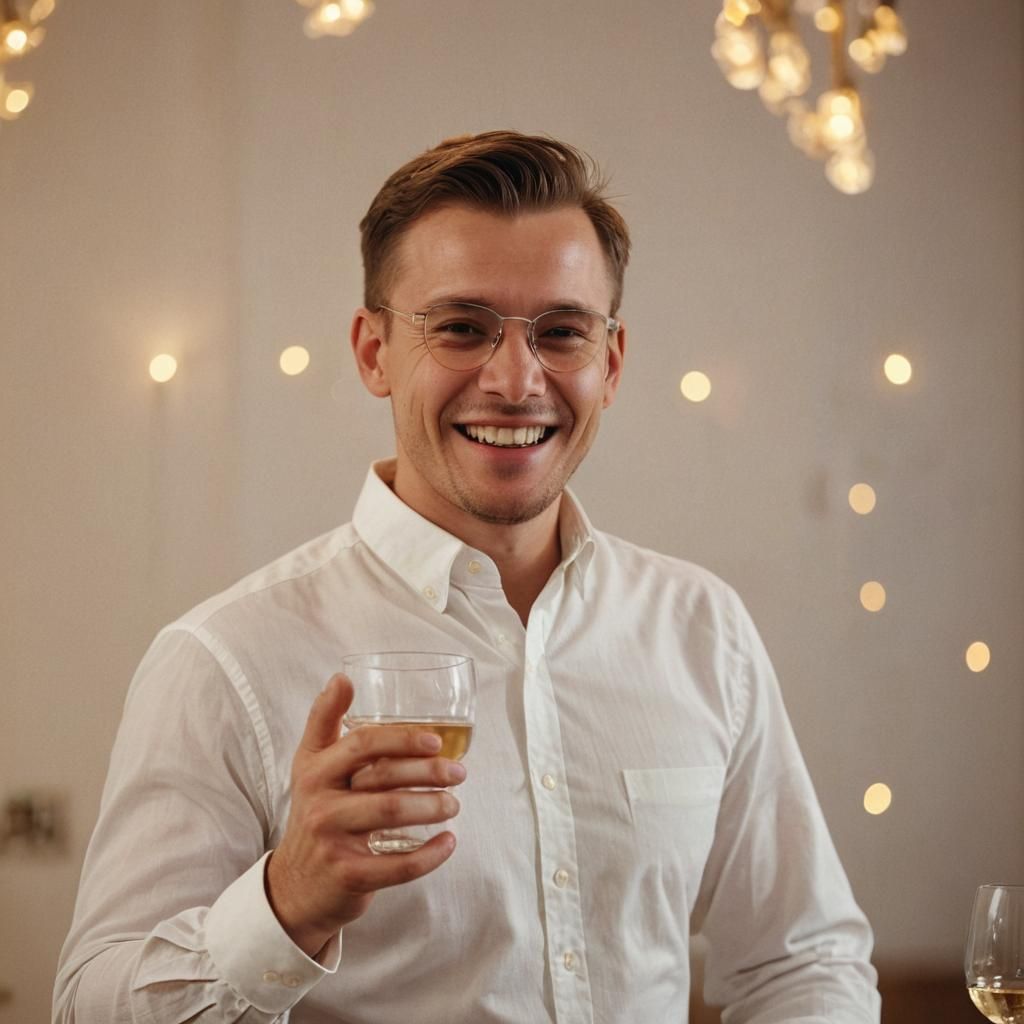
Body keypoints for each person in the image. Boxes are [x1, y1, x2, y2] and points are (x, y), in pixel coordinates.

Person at [55, 130, 881, 1023]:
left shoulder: (700, 627)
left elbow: (804, 963)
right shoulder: (224, 660)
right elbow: (85, 1006)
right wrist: (285, 902)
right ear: (374, 352)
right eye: (460, 327)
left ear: (611, 361)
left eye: (562, 331)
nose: (516, 380)